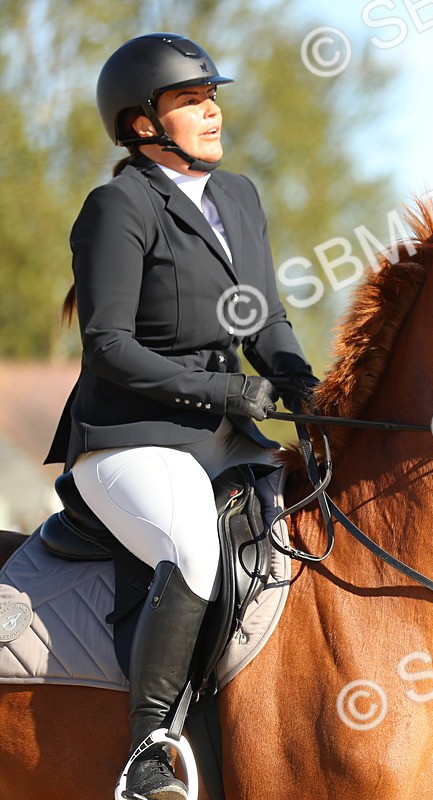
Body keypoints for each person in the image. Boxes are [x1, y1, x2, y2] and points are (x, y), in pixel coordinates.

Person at [42, 33, 319, 800]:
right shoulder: (119, 205)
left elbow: (263, 319)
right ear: (142, 124)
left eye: (212, 96)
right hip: (129, 440)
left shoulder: (239, 197)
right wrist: (229, 394)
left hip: (223, 438)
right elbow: (109, 350)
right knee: (194, 548)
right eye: (192, 100)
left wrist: (306, 389)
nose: (212, 110)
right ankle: (149, 753)